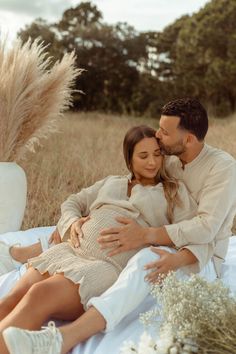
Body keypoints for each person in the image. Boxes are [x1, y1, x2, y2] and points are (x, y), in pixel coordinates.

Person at [1, 97, 236, 354]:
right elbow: (74, 202)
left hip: (107, 265)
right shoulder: (127, 176)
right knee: (13, 296)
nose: (154, 156)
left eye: (162, 140)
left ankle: (56, 339)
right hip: (70, 253)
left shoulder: (188, 185)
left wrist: (153, 240)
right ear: (130, 159)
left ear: (188, 139)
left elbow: (204, 232)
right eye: (144, 155)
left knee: (38, 296)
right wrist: (74, 222)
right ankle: (20, 253)